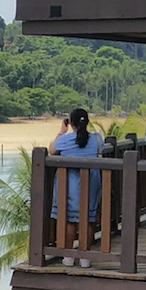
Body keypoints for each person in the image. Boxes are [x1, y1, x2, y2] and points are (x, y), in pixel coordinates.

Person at [50, 109, 103, 267]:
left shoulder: (65, 140)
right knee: (88, 219)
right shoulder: (96, 139)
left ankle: (69, 256)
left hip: (70, 185)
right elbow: (101, 148)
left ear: (71, 123)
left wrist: (62, 131)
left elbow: (52, 150)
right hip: (91, 184)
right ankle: (85, 257)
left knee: (70, 220)